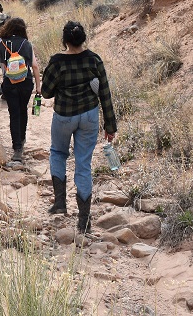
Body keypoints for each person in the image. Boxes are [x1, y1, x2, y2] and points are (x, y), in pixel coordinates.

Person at [41, 20, 117, 234]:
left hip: (64, 115)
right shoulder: (94, 60)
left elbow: (46, 92)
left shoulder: (57, 62)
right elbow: (105, 94)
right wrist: (110, 125)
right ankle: (84, 221)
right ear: (84, 38)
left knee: (58, 153)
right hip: (89, 116)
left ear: (64, 40)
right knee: (83, 164)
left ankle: (60, 203)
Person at [0, 18, 40, 166]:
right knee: (23, 111)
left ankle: (16, 148)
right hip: (25, 82)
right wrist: (38, 87)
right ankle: (21, 141)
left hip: (9, 83)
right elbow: (34, 66)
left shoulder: (3, 43)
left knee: (13, 114)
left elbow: (3, 67)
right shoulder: (26, 44)